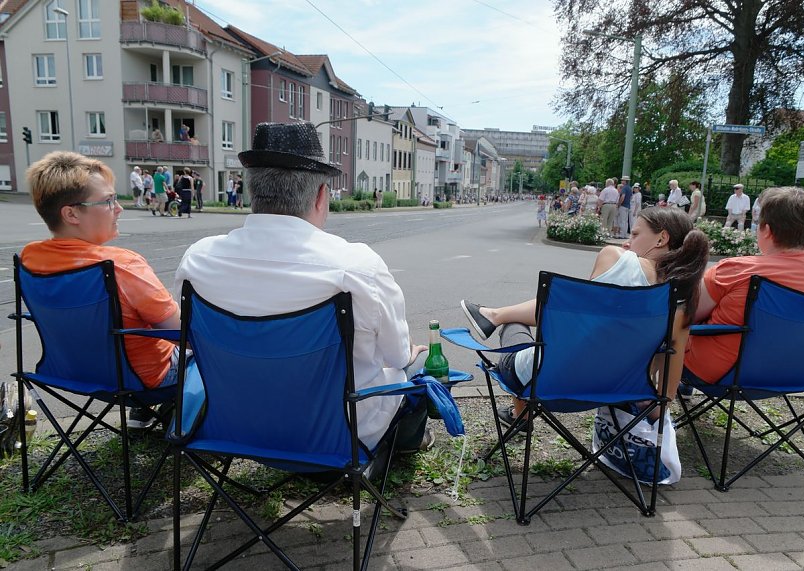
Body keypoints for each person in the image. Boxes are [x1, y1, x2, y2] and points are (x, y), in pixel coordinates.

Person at [174, 122, 434, 452]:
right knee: (419, 363)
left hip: (232, 427)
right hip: (337, 436)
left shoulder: (198, 260)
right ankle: (406, 444)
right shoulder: (357, 267)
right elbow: (396, 355)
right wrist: (408, 353)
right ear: (322, 196)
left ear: (252, 191)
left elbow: (191, 341)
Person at [461, 207, 709, 424]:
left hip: (544, 384)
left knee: (515, 325)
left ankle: (521, 417)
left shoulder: (615, 257)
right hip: (614, 391)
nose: (628, 240)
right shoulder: (682, 298)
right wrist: (657, 411)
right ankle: (494, 316)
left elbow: (579, 320)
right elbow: (670, 374)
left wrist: (625, 257)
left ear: (661, 238)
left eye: (635, 234)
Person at [21, 151, 181, 428]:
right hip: (142, 380)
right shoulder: (121, 264)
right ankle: (183, 417)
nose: (119, 208)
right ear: (71, 213)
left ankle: (146, 414)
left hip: (69, 373)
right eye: (108, 201)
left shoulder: (29, 259)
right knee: (208, 347)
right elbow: (184, 332)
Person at [685, 187, 804, 385]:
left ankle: (653, 404)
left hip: (727, 374)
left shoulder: (736, 271)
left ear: (767, 230)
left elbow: (686, 314)